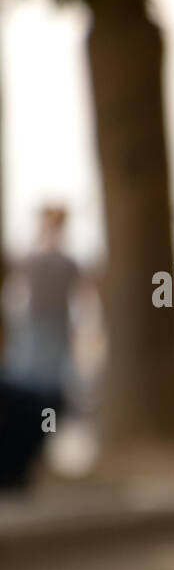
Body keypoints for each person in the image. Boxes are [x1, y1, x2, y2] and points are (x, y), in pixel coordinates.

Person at [0, 206, 82, 488]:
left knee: (44, 395)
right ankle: (29, 461)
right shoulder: (49, 261)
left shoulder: (52, 261)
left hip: (47, 335)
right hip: (39, 335)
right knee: (40, 395)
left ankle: (33, 459)